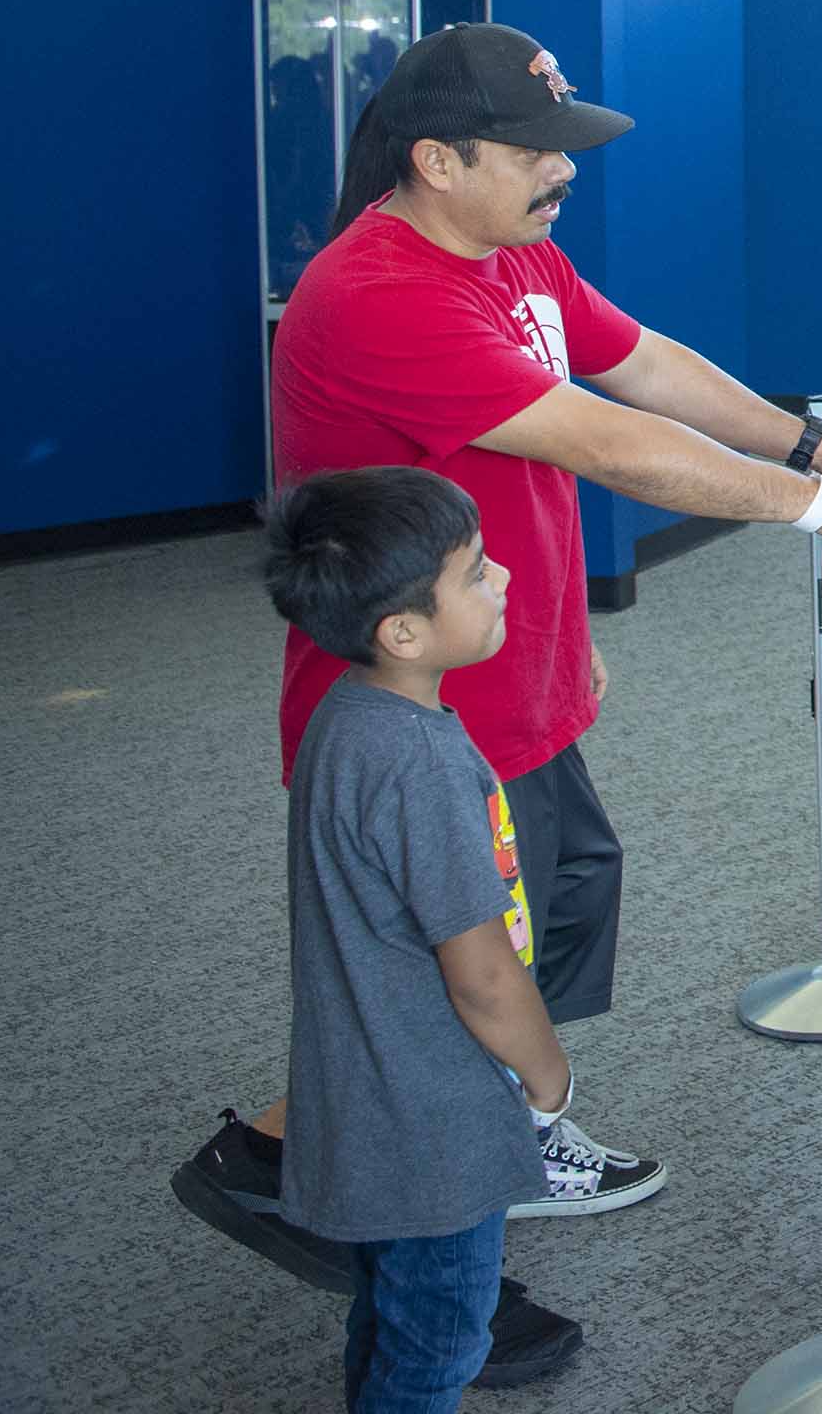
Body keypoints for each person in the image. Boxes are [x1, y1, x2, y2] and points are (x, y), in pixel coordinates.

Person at [173, 22, 822, 1364]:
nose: (558, 173)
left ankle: (418, 1143)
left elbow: (639, 362)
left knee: (559, 898)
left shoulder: (510, 249)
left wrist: (812, 435)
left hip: (505, 679)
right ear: (435, 157)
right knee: (441, 986)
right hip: (409, 722)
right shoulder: (374, 294)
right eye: (532, 151)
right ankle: (420, 1226)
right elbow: (609, 441)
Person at [263, 466, 574, 1409]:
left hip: (362, 1097)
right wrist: (549, 1072)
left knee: (391, 1313)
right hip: (431, 1122)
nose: (504, 581)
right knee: (441, 1342)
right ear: (403, 631)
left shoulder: (347, 718)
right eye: (476, 574)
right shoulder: (422, 759)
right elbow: (479, 970)